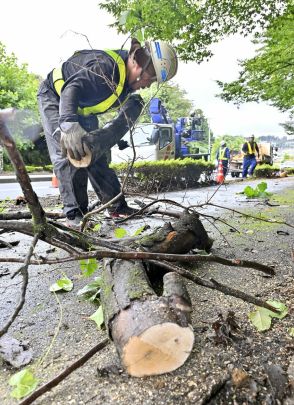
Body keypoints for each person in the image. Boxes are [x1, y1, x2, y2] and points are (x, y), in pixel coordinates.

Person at [37, 39, 178, 229]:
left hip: (83, 109)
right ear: (137, 61)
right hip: (56, 98)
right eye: (150, 78)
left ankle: (116, 206)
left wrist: (112, 136)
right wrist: (69, 123)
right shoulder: (105, 68)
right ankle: (75, 215)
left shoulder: (125, 84)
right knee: (71, 154)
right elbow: (72, 88)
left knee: (96, 155)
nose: (148, 85)